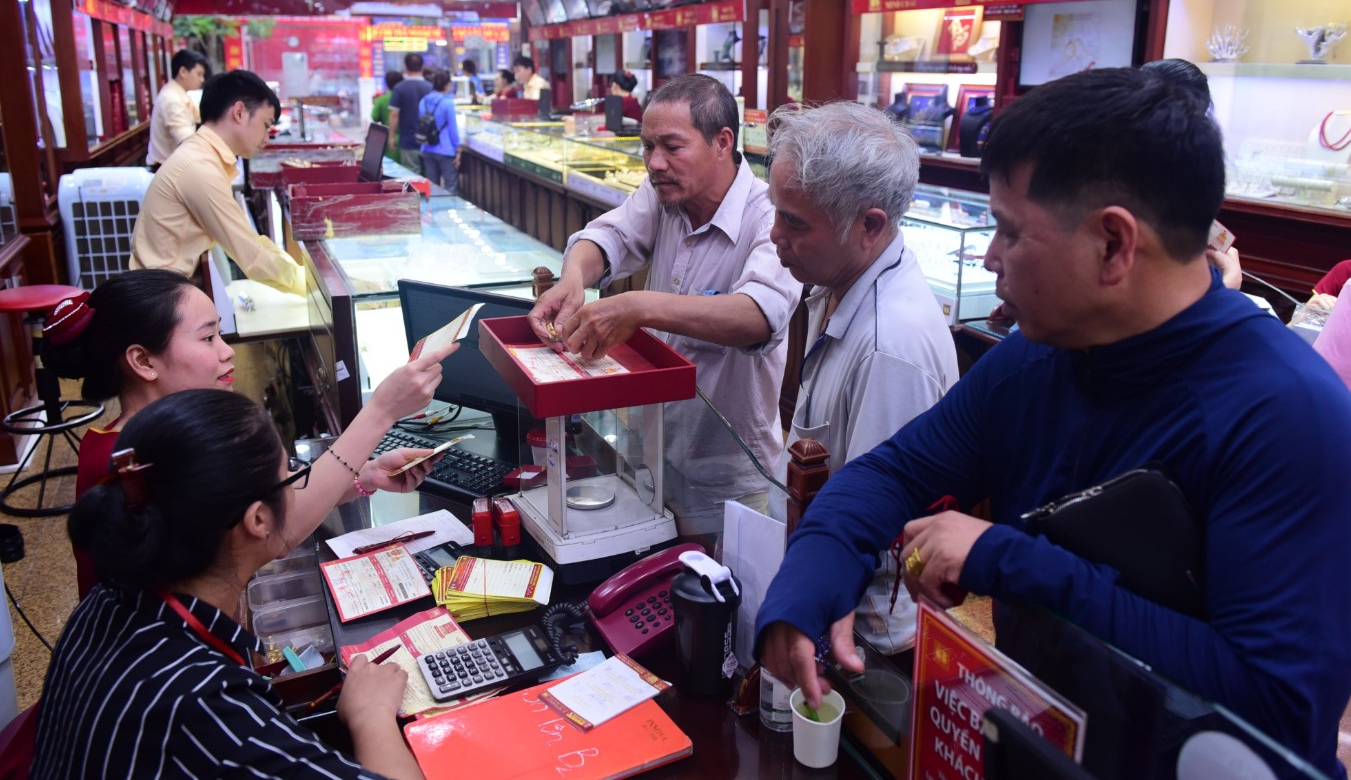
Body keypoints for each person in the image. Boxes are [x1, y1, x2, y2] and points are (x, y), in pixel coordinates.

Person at [755, 67, 1351, 776]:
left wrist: (1004, 558)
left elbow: (1273, 706)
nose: (988, 257)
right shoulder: (1037, 358)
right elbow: (893, 470)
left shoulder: (1286, 414)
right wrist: (801, 591)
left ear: (1111, 244)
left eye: (1009, 231)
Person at [32, 390, 428, 780]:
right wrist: (370, 716)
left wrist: (364, 475)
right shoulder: (212, 714)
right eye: (289, 473)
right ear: (258, 521)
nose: (296, 482)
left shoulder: (106, 601)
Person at [41, 268, 452, 598]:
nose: (227, 350)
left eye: (220, 333)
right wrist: (380, 411)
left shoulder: (123, 437)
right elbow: (279, 532)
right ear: (143, 361)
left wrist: (365, 477)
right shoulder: (142, 461)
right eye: (207, 337)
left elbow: (270, 508)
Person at [529, 73, 801, 526]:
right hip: (649, 450)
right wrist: (573, 278)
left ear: (722, 142)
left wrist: (638, 307)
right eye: (647, 147)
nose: (655, 163)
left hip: (730, 475)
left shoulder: (767, 216)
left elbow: (757, 315)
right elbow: (607, 235)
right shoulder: (666, 197)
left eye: (672, 147)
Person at [765, 101, 957, 654]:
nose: (775, 235)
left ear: (870, 225)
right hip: (816, 595)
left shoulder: (889, 345)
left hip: (857, 638)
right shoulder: (837, 280)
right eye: (777, 212)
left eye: (795, 222)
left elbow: (876, 528)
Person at [129, 70, 304, 297]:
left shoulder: (204, 157)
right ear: (239, 112)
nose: (266, 138)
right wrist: (313, 285)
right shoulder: (199, 167)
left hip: (169, 293)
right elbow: (252, 256)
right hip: (161, 305)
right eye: (265, 125)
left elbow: (248, 240)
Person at [146, 49, 209, 169]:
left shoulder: (180, 94)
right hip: (164, 168)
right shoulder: (171, 99)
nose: (202, 79)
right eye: (199, 74)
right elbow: (186, 141)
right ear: (183, 72)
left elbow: (200, 119)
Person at [387, 53, 434, 173]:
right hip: (430, 142)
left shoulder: (399, 88)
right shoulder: (430, 87)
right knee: (431, 178)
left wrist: (391, 136)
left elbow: (394, 114)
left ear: (406, 67)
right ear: (422, 66)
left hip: (408, 141)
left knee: (412, 177)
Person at [419, 71, 461, 193]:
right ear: (447, 85)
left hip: (426, 148)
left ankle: (433, 211)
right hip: (445, 149)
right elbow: (453, 129)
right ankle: (452, 210)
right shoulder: (447, 103)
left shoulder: (423, 101)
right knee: (451, 187)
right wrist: (458, 148)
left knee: (432, 188)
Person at [370, 70, 404, 162]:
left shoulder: (382, 99)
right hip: (406, 138)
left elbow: (374, 116)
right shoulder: (406, 96)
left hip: (389, 139)